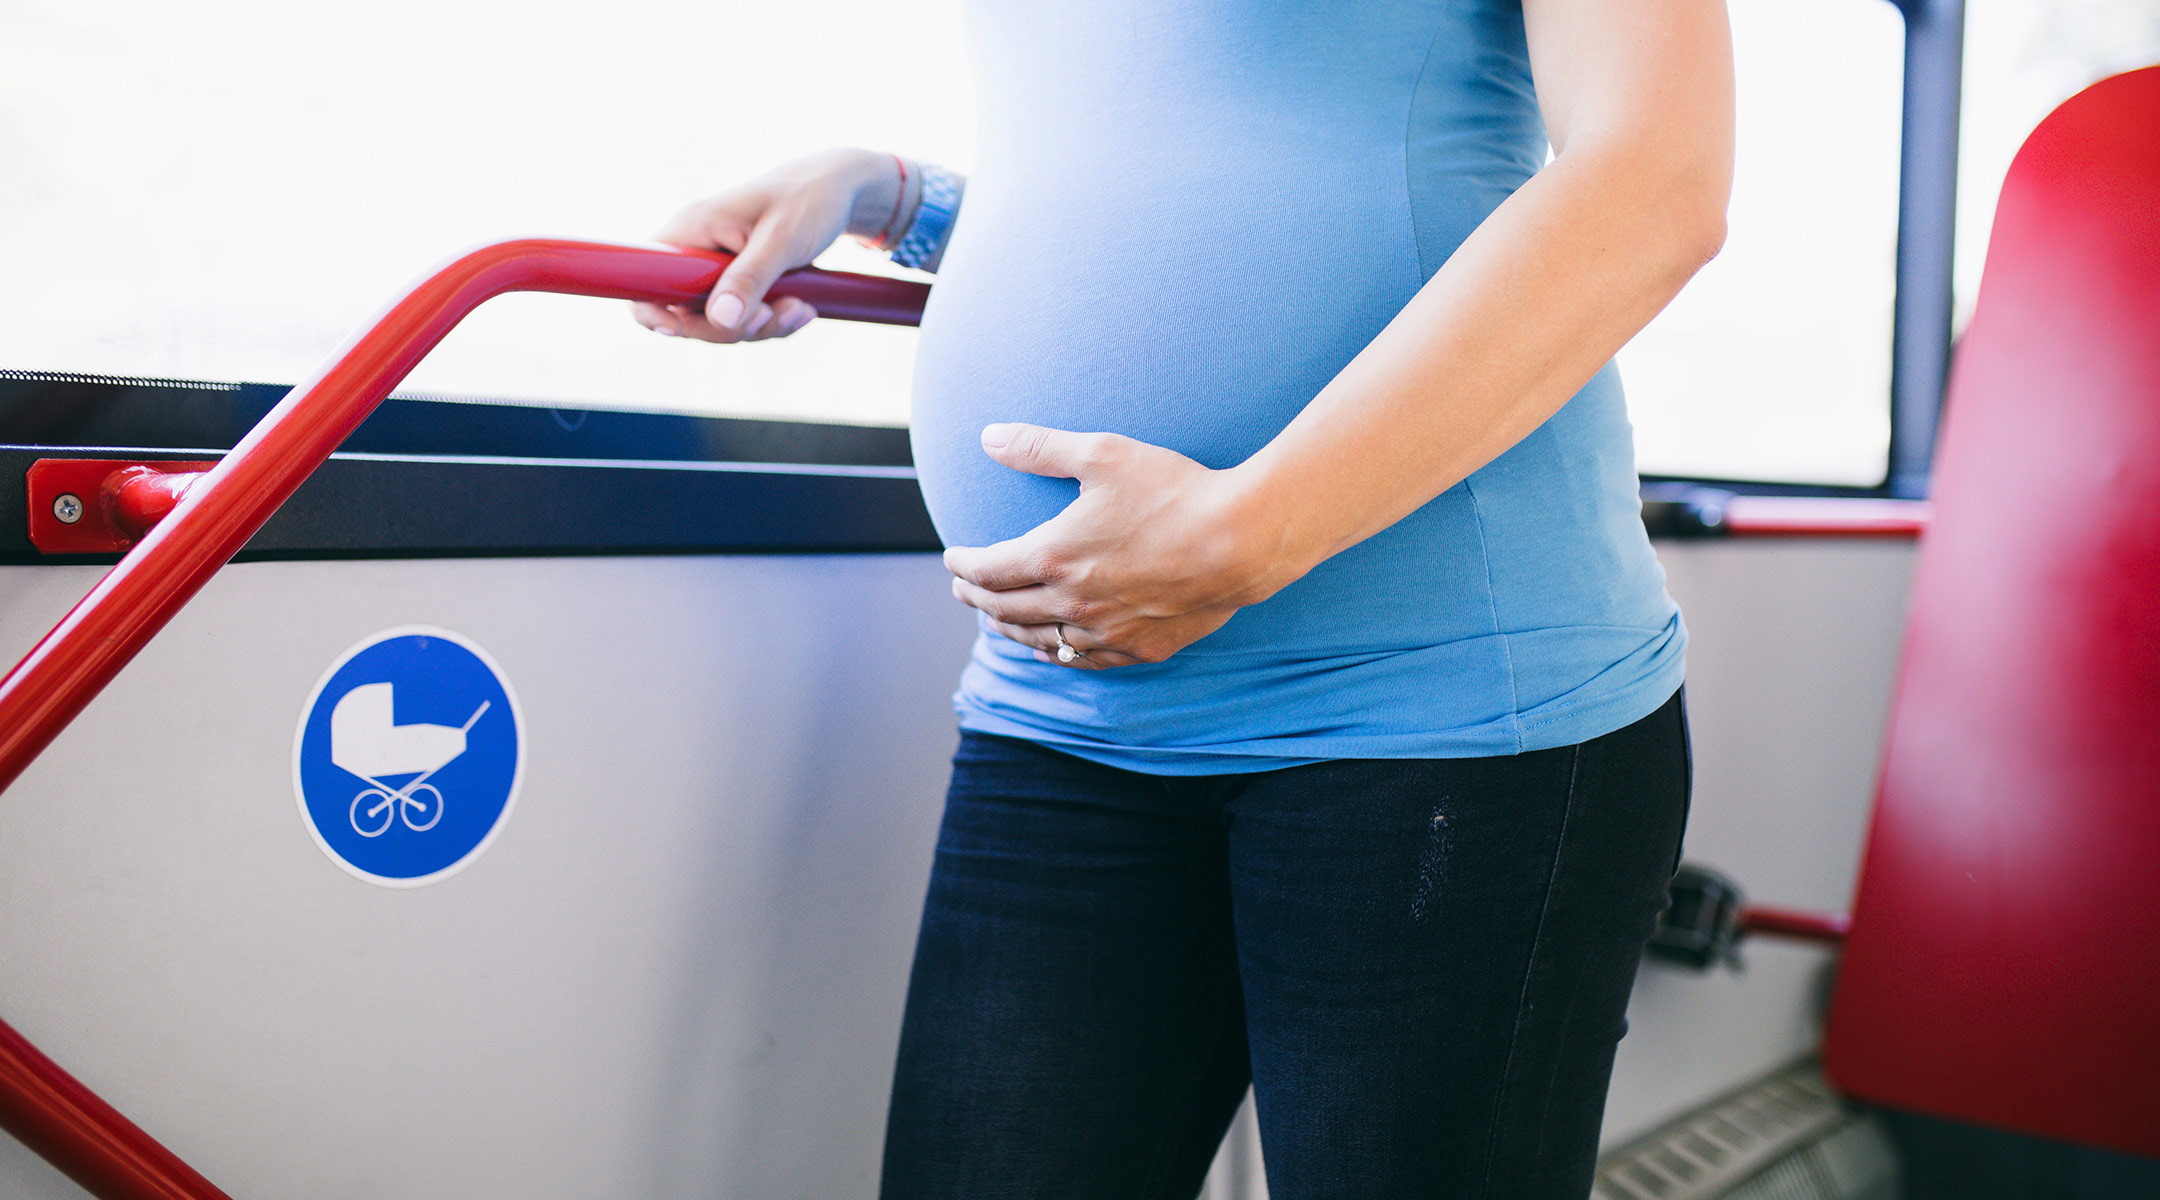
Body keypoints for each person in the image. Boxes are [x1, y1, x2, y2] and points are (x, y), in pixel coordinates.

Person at [634, 0, 1731, 1194]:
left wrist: (1250, 534)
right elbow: (1189, 146)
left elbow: (1656, 178)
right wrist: (891, 196)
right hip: (1064, 712)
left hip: (1448, 719)